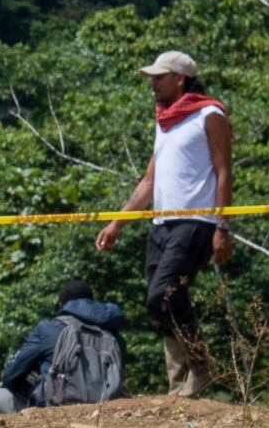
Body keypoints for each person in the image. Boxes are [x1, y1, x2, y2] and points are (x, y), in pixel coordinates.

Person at [94, 50, 237, 396]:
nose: (153, 84)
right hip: (161, 223)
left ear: (180, 78)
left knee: (163, 296)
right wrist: (118, 223)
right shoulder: (165, 121)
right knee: (160, 303)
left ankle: (203, 368)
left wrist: (223, 226)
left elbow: (224, 171)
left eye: (159, 77)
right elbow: (148, 182)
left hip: (195, 222)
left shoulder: (209, 113)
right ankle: (179, 386)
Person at [0, 275, 129, 414]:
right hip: (104, 411)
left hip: (55, 410)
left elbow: (10, 376)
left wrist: (32, 388)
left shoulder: (47, 329)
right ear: (91, 303)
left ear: (62, 304)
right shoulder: (115, 337)